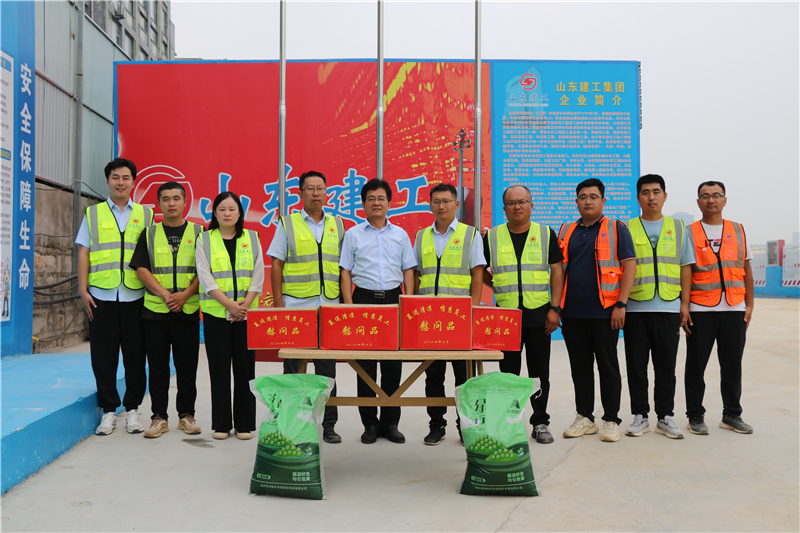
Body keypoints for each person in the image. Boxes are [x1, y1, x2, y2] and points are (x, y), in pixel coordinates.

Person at [75, 158, 153, 435]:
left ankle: (132, 410)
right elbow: (84, 252)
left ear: (133, 181)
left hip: (136, 296)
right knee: (103, 356)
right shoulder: (93, 213)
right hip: (101, 296)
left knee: (136, 356)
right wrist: (83, 290)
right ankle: (109, 411)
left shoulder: (146, 214)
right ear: (107, 180)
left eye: (126, 177)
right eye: (116, 177)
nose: (121, 182)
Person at [483, 185, 564, 445]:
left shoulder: (545, 233)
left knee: (539, 372)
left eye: (522, 201)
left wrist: (555, 308)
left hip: (540, 314)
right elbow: (480, 270)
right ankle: (510, 422)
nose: (517, 206)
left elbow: (557, 271)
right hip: (506, 317)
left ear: (531, 205)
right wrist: (497, 286)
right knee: (508, 373)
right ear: (504, 208)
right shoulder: (492, 236)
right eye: (511, 203)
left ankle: (540, 422)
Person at [267, 171, 344, 444]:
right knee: (294, 370)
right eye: (310, 188)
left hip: (329, 307)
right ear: (300, 193)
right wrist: (279, 306)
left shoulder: (337, 224)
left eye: (320, 188)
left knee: (327, 371)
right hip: (297, 308)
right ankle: (292, 423)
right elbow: (277, 264)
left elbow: (343, 267)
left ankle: (329, 425)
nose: (315, 193)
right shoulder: (287, 223)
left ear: (327, 192)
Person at [558, 178, 636, 443]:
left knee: (608, 367)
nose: (588, 201)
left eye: (593, 197)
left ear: (603, 200)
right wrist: (558, 307)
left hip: (605, 313)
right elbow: (559, 271)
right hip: (572, 314)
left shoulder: (616, 228)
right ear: (576, 201)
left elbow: (630, 266)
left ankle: (611, 420)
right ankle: (585, 418)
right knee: (580, 369)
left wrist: (621, 305)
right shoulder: (567, 230)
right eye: (582, 197)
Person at [340, 178, 417, 445]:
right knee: (366, 366)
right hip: (363, 301)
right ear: (363, 204)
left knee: (393, 365)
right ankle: (370, 424)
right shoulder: (353, 234)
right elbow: (346, 271)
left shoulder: (401, 235)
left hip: (394, 301)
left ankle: (391, 423)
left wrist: (408, 303)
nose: (376, 203)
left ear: (389, 203)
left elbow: (408, 270)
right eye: (371, 198)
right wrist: (349, 307)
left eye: (381, 198)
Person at [129, 182, 203, 438]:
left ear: (185, 202)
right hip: (154, 312)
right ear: (159, 203)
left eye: (176, 198)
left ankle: (186, 415)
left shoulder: (200, 233)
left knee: (187, 367)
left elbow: (205, 271)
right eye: (166, 199)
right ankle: (159, 417)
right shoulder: (149, 233)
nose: (171, 203)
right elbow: (141, 270)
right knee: (158, 367)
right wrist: (165, 295)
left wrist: (185, 295)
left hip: (187, 310)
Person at [623, 175, 694, 440]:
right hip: (635, 309)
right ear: (638, 198)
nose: (651, 197)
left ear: (665, 196)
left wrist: (684, 304)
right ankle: (640, 415)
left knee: (666, 367)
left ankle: (665, 416)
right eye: (645, 192)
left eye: (656, 191)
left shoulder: (678, 227)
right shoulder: (626, 228)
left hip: (668, 308)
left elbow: (685, 266)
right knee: (636, 367)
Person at [414, 183, 485, 445]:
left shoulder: (470, 234)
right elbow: (417, 275)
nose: (441, 206)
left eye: (446, 201)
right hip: (429, 318)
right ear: (430, 205)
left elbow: (477, 274)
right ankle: (436, 425)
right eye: (436, 202)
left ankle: (464, 426)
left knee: (463, 376)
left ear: (456, 204)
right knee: (433, 375)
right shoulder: (422, 236)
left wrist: (474, 309)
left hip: (459, 318)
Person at [683, 181, 754, 435]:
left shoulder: (738, 229)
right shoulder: (689, 232)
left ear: (725, 200)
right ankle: (695, 415)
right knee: (696, 366)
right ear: (698, 202)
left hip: (734, 308)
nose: (710, 200)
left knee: (732, 365)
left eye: (716, 195)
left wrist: (749, 304)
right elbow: (685, 271)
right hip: (700, 309)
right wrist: (684, 306)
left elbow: (746, 268)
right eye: (705, 196)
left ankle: (732, 414)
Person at [196, 192, 263, 440]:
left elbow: (258, 273)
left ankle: (244, 424)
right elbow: (205, 276)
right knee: (219, 370)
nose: (227, 213)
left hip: (246, 315)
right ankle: (222, 424)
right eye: (222, 209)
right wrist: (228, 305)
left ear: (239, 213)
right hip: (216, 315)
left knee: (245, 371)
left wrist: (245, 305)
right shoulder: (204, 239)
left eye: (232, 209)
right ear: (214, 213)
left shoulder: (252, 238)